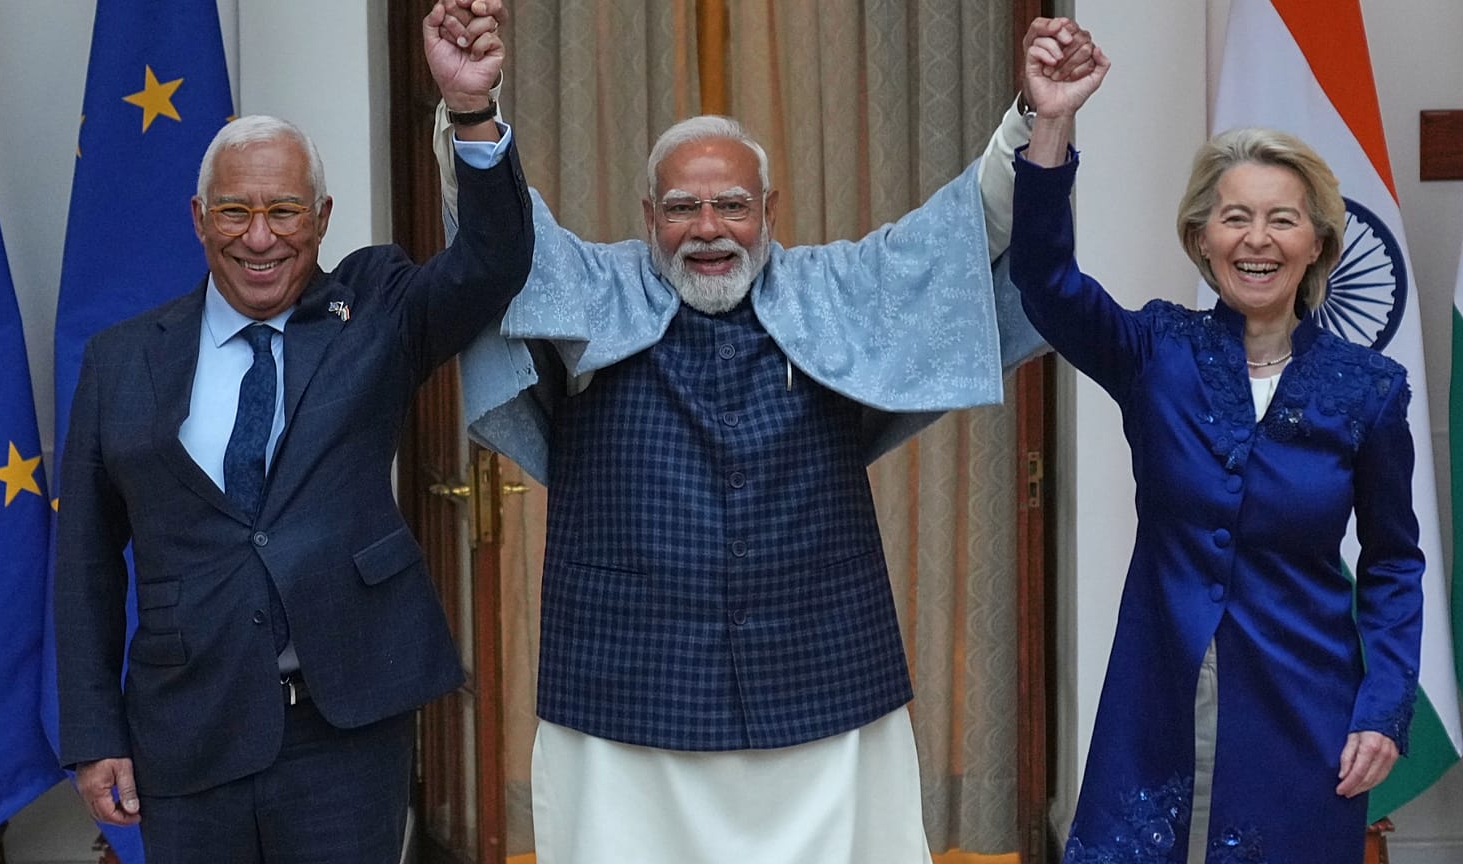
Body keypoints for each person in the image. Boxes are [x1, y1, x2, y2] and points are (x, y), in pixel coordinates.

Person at [430, 3, 1097, 861]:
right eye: (682, 208)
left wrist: (1038, 116)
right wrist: (473, 111)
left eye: (732, 206)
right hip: (628, 679)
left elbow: (967, 230)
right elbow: (499, 239)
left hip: (820, 671)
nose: (708, 229)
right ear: (646, 213)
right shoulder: (590, 287)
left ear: (771, 208)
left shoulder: (838, 287)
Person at [52, 4, 529, 860]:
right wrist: (94, 735)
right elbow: (84, 563)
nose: (261, 238)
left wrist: (471, 110)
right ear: (199, 220)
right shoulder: (122, 360)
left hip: (345, 724)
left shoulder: (374, 310)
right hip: (188, 726)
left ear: (322, 216)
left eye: (285, 212)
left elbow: (493, 262)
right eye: (235, 212)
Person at [1009, 35, 1423, 864]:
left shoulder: (1368, 389)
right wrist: (1050, 127)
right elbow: (1046, 283)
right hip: (1157, 693)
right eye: (1234, 216)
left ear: (1317, 245)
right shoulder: (1155, 350)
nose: (1256, 239)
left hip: (1304, 705)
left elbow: (1392, 564)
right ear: (1201, 238)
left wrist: (1383, 707)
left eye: (1282, 219)